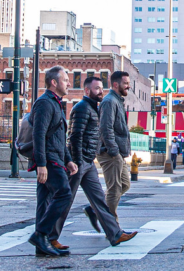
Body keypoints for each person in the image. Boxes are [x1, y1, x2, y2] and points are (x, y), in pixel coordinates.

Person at [50, 75, 137, 249]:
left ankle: (115, 234)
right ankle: (50, 236)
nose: (100, 92)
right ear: (87, 90)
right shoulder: (82, 108)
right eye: (97, 89)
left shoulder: (94, 108)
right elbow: (74, 137)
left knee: (99, 200)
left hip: (89, 161)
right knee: (66, 199)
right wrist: (75, 161)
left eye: (101, 88)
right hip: (79, 162)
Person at [27, 66, 77, 257]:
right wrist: (41, 164)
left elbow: (57, 136)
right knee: (64, 193)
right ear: (54, 83)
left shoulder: (55, 103)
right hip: (48, 160)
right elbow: (38, 135)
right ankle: (40, 234)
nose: (69, 83)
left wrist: (69, 160)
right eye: (65, 80)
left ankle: (42, 246)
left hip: (56, 157)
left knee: (44, 202)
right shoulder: (45, 103)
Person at [98, 70, 133, 218]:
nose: (128, 87)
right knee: (114, 189)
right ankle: (112, 227)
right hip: (110, 153)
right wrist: (114, 151)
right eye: (125, 84)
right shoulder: (109, 102)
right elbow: (106, 128)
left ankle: (95, 211)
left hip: (116, 153)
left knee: (125, 184)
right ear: (115, 84)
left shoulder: (117, 101)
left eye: (129, 84)